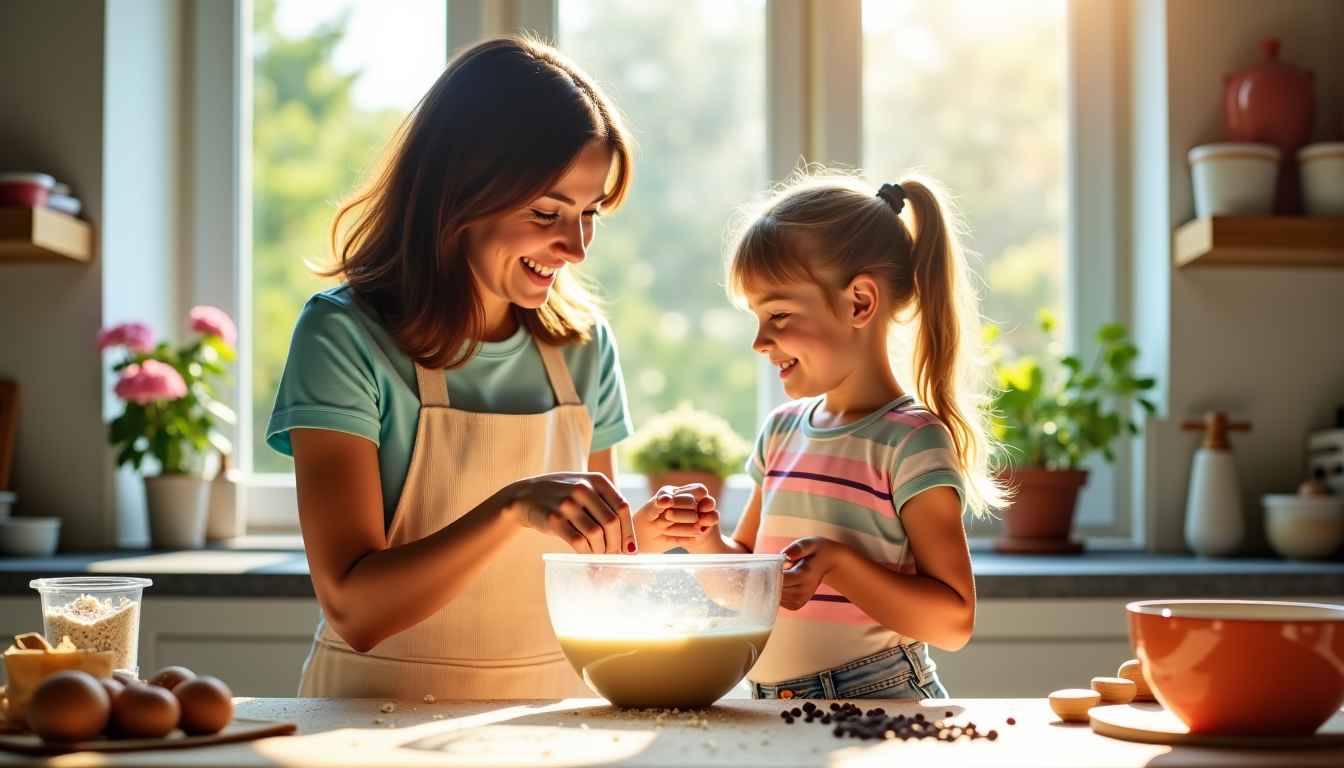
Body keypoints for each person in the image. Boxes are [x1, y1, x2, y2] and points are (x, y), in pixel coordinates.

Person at [266, 36, 718, 699]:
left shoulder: (583, 347)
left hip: (551, 716)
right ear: (460, 189)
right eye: (547, 212)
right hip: (367, 720)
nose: (577, 246)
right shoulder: (343, 336)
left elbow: (596, 577)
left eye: (589, 214)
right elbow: (356, 609)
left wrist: (639, 533)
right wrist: (510, 507)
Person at [686, 171, 1004, 699]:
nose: (760, 341)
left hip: (878, 700)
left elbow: (953, 621)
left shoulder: (912, 441)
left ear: (859, 302)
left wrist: (841, 565)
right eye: (757, 318)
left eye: (779, 314)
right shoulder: (780, 432)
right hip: (772, 705)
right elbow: (746, 588)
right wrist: (703, 544)